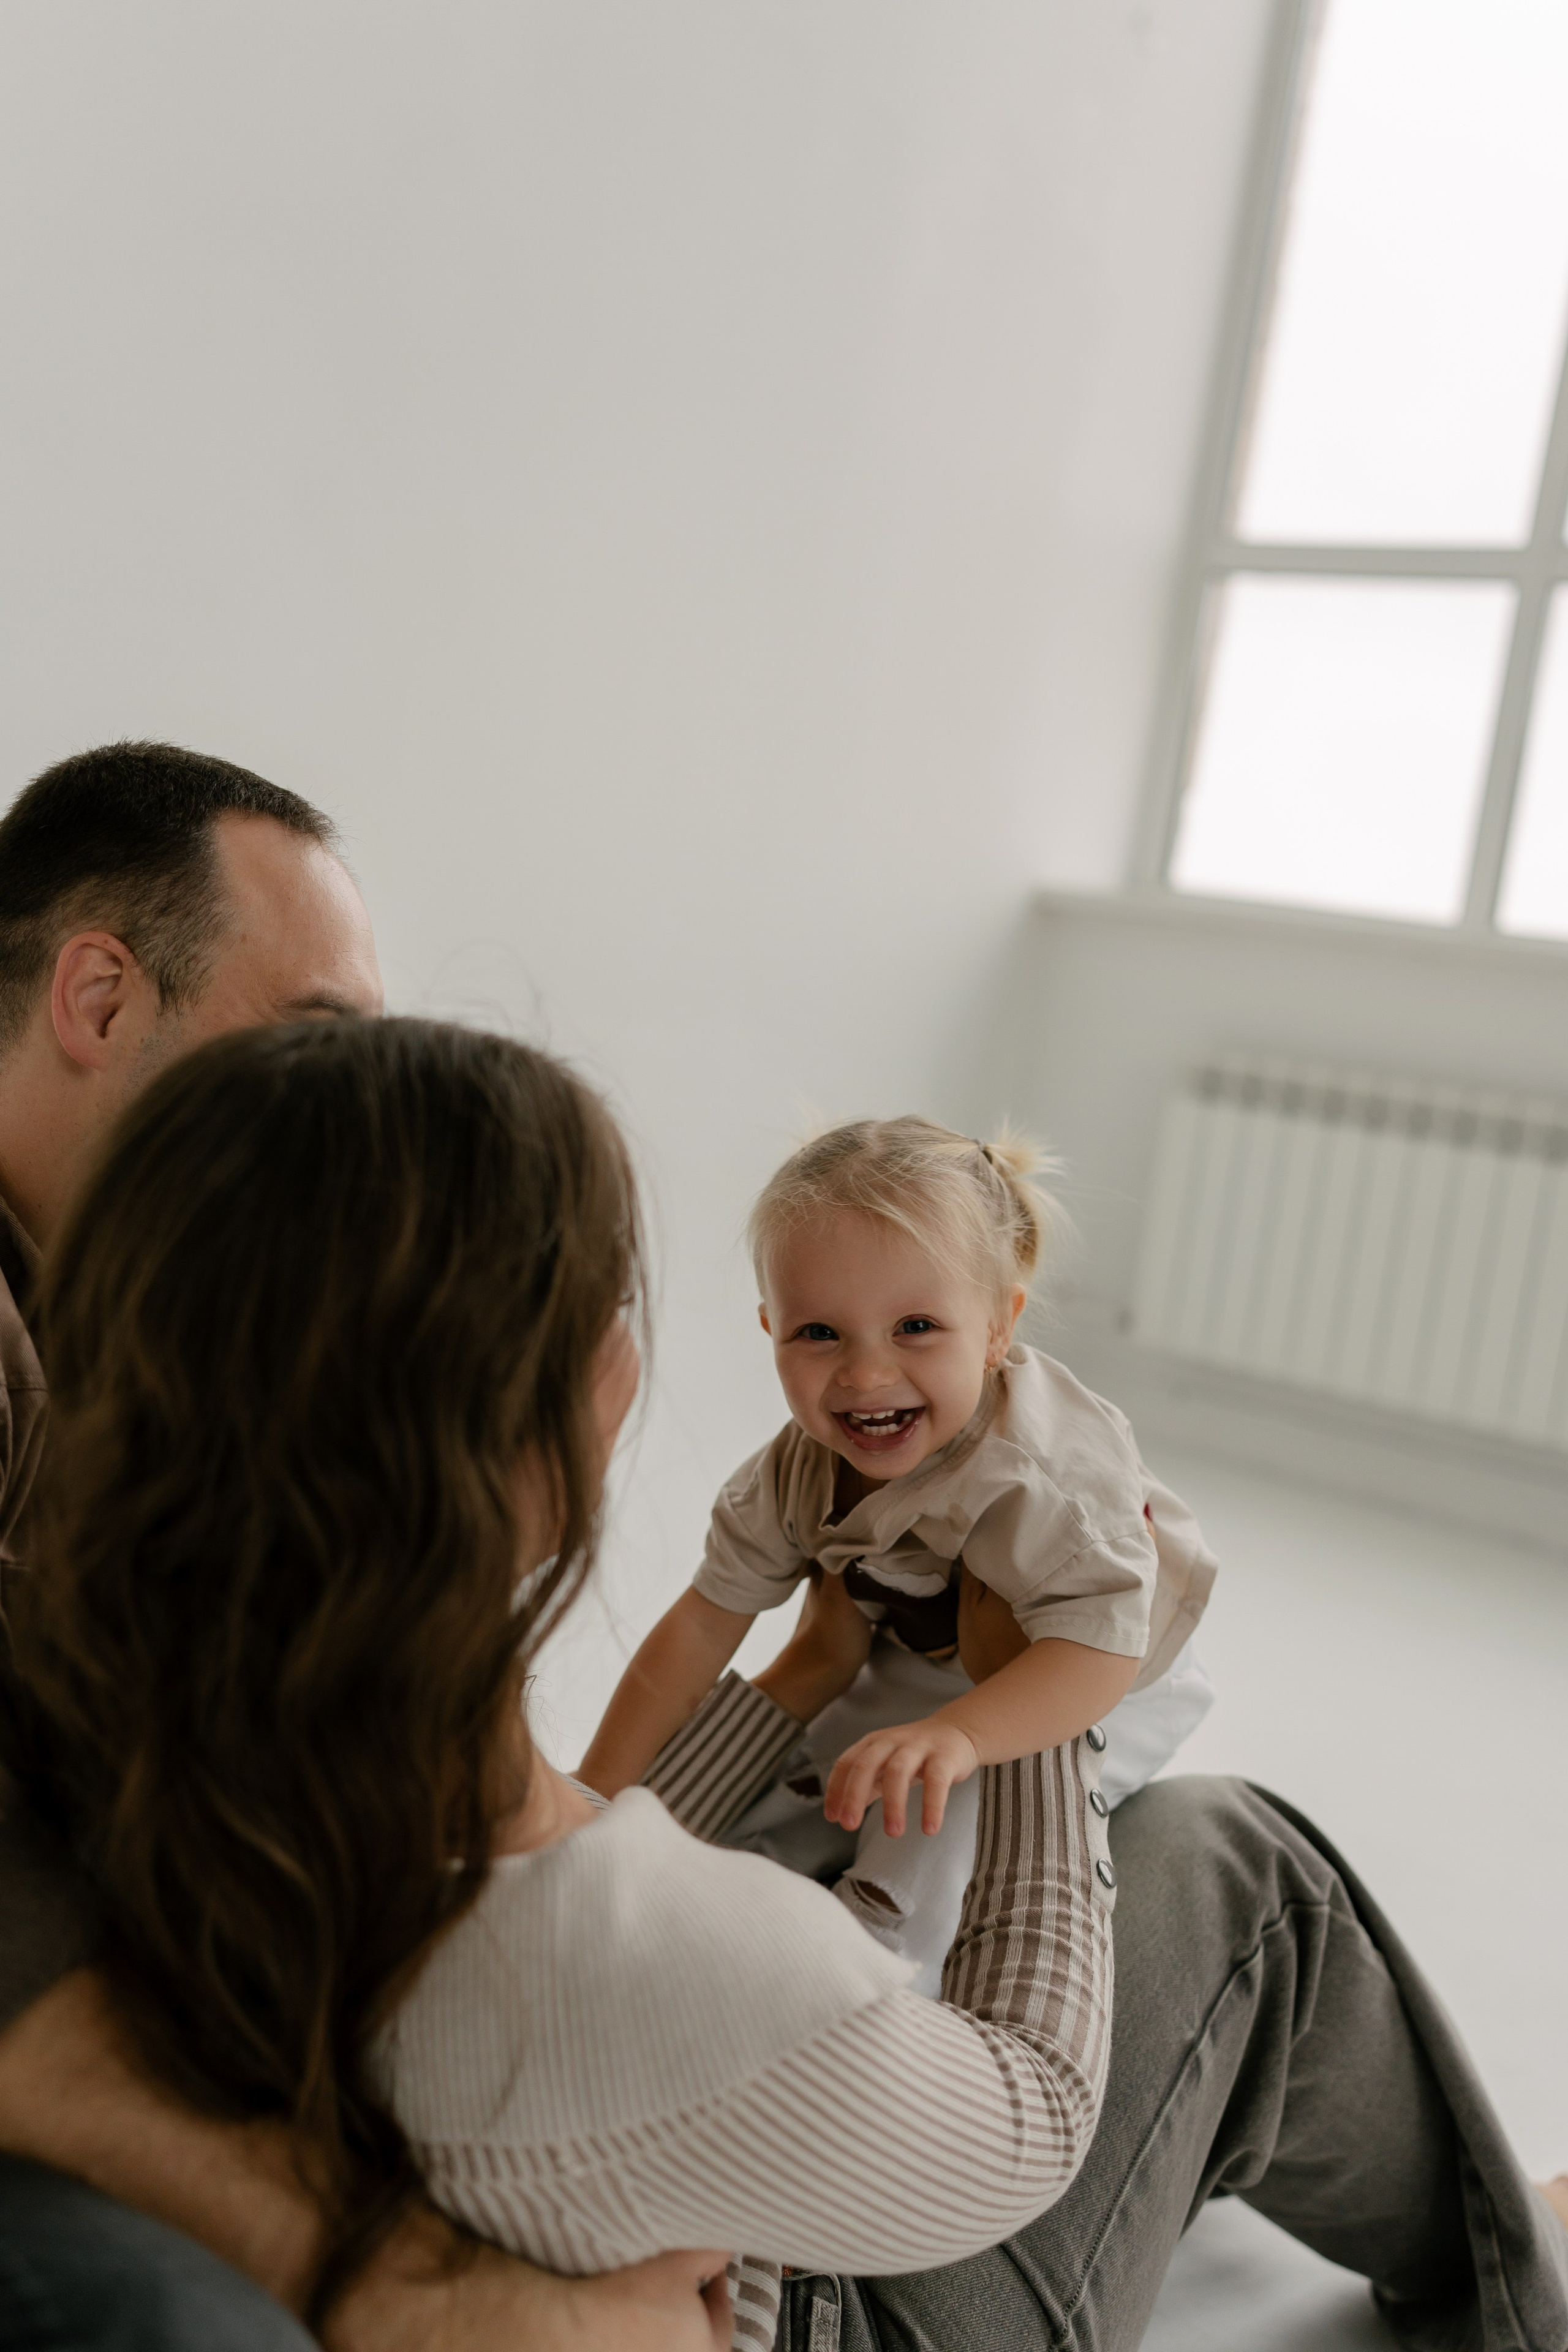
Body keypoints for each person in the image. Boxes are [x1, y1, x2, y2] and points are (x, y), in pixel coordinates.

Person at [10, 1015, 1568, 2352]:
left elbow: (595, 1838)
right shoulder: (685, 1974)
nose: (860, 1369)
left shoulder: (106, 1790)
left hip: (649, 2160)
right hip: (830, 2299)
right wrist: (1008, 1692)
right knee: (1232, 1862)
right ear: (551, 1428)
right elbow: (1027, 2119)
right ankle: (1526, 2266)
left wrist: (802, 1671)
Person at [0, 741, 726, 2351]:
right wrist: (434, 2298)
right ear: (99, 1000)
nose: (344, 1116)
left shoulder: (138, 1340)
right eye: (313, 1040)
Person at [581, 1116, 1216, 1992]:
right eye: (819, 1334)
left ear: (997, 1329)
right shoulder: (795, 1473)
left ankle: (860, 1996)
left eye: (915, 1326)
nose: (866, 1375)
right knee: (795, 1799)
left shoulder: (1047, 1476)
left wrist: (962, 1734)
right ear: (770, 1329)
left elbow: (1100, 1651)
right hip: (923, 1653)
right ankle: (710, 1930)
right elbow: (701, 1624)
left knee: (920, 1862)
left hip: (1094, 1673)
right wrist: (594, 1793)